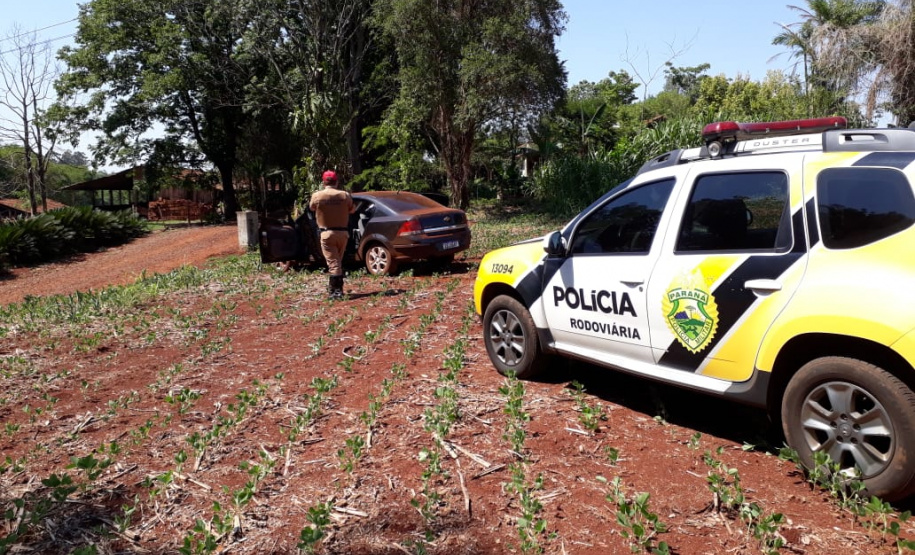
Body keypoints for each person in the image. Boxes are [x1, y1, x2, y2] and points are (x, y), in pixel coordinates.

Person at [309, 170, 355, 299]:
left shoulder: (317, 196)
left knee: (333, 263)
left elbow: (311, 208)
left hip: (327, 234)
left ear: (323, 182)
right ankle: (334, 289)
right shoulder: (345, 195)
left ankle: (336, 291)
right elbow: (353, 209)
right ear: (337, 181)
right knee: (337, 261)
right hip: (343, 233)